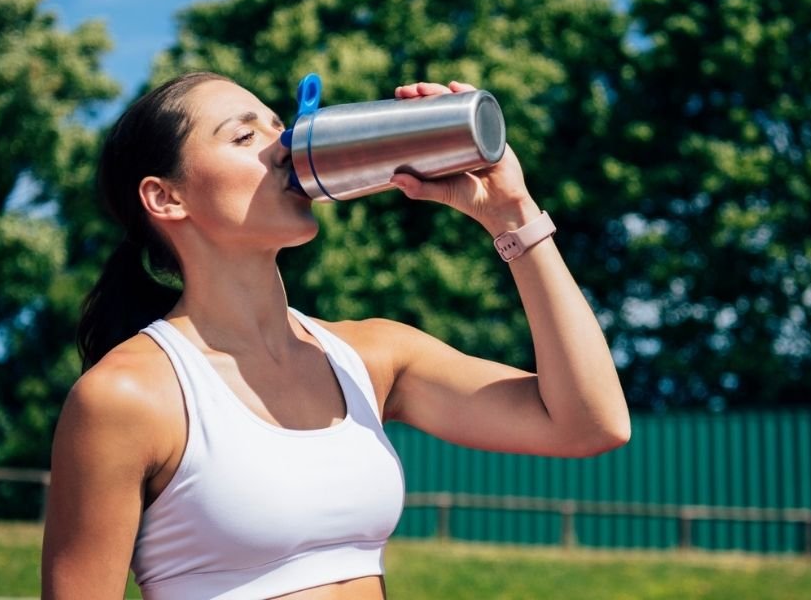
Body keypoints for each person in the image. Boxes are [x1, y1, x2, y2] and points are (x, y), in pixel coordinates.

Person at [40, 72, 630, 600]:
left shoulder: (370, 357)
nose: (285, 149)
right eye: (244, 138)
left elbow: (589, 423)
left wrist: (513, 214)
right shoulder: (128, 397)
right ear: (165, 197)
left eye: (282, 126)